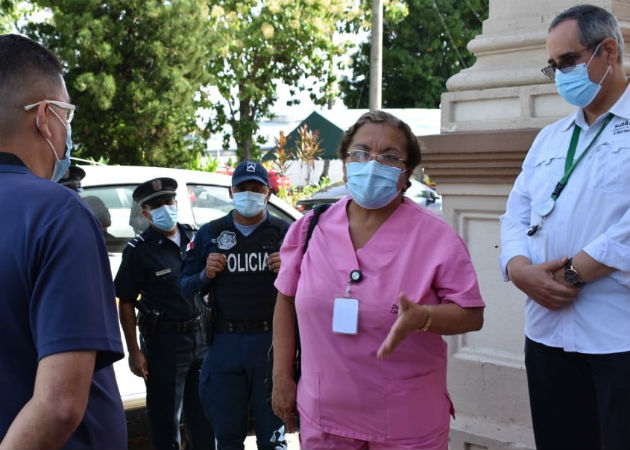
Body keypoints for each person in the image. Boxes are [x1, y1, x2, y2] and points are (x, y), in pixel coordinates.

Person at [271, 110, 485, 450]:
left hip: (406, 418)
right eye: (360, 153)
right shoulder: (309, 228)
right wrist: (281, 378)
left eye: (388, 156)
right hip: (325, 415)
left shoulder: (436, 237)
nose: (371, 164)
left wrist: (425, 317)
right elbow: (285, 299)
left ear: (407, 173)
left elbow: (472, 314)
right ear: (344, 163)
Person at [500, 5, 629, 450]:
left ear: (608, 51)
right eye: (553, 66)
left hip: (618, 338)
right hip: (546, 335)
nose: (560, 75)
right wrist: (518, 269)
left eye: (568, 62)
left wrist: (574, 273)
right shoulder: (550, 138)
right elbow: (515, 211)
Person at [0, 34, 127, 449]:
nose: (67, 131)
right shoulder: (57, 213)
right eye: (66, 116)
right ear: (43, 116)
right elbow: (58, 406)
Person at [179, 161, 289, 450]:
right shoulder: (210, 233)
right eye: (242, 188)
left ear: (268, 193)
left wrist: (292, 269)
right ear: (231, 191)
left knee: (273, 439)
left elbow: (313, 287)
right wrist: (205, 274)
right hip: (225, 342)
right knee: (227, 437)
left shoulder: (284, 233)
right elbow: (184, 284)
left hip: (271, 345)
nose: (249, 194)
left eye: (257, 188)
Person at [115, 177, 214, 450]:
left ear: (176, 203)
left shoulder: (197, 239)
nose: (164, 208)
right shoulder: (139, 252)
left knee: (205, 417)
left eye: (168, 201)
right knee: (165, 421)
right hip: (164, 344)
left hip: (201, 339)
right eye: (156, 205)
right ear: (145, 213)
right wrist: (134, 351)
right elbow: (125, 301)